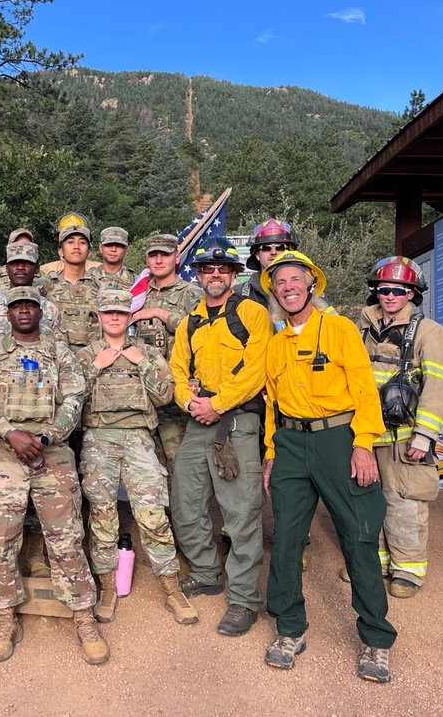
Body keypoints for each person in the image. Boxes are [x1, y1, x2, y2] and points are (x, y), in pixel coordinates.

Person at [259, 250, 396, 683]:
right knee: (285, 539)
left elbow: (364, 390)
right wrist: (270, 452)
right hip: (289, 444)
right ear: (274, 293)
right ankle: (289, 630)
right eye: (280, 283)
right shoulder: (275, 345)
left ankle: (375, 639)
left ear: (311, 285)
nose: (288, 287)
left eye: (295, 279)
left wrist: (363, 444)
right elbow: (271, 405)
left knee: (358, 535)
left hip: (339, 440)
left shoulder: (338, 329)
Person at [0, 286, 109, 665]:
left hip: (52, 454)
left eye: (31, 305)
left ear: (40, 311)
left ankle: (84, 616)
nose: (25, 311)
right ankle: (5, 619)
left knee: (65, 538)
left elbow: (74, 400)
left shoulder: (58, 351)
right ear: (9, 313)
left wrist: (45, 436)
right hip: (2, 454)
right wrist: (9, 432)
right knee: (0, 540)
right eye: (18, 306)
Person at [167, 236, 271, 637]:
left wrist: (219, 403)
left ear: (233, 274)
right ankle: (208, 572)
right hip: (198, 419)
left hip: (237, 421)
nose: (215, 275)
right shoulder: (191, 318)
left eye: (222, 269)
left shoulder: (251, 313)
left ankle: (244, 599)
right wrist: (188, 400)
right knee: (186, 502)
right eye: (208, 269)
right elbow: (177, 368)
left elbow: (256, 369)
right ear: (198, 273)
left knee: (241, 511)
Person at [76, 289, 198, 627]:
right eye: (108, 312)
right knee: (102, 516)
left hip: (138, 439)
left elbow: (164, 396)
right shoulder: (86, 355)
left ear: (129, 317)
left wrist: (141, 362)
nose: (114, 318)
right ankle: (106, 588)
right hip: (99, 438)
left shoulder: (145, 352)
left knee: (152, 514)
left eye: (120, 312)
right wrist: (94, 370)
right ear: (99, 317)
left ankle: (172, 588)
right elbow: (69, 401)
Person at [0, 241, 67, 576]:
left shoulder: (50, 310)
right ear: (6, 266)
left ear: (36, 267)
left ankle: (35, 553)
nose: (20, 267)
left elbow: (60, 356)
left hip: (42, 412)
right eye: (14, 263)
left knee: (40, 488)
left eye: (27, 263)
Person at [356, 256, 443, 598]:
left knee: (404, 502)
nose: (391, 295)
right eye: (384, 289)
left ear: (413, 292)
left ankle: (408, 570)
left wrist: (425, 435)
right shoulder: (363, 328)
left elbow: (438, 387)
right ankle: (379, 561)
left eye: (400, 290)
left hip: (405, 436)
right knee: (369, 501)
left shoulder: (430, 333)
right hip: (367, 436)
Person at [130, 233, 203, 474]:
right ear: (147, 259)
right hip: (145, 393)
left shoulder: (190, 293)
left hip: (176, 393)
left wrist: (161, 314)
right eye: (154, 255)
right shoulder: (137, 296)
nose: (159, 260)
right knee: (150, 467)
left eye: (165, 255)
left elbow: (201, 332)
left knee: (181, 464)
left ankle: (185, 512)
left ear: (177, 257)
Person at [43, 222, 101, 352]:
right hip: (55, 357)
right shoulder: (46, 286)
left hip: (93, 359)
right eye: (70, 242)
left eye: (82, 242)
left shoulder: (100, 287)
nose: (76, 247)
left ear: (89, 252)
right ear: (60, 251)